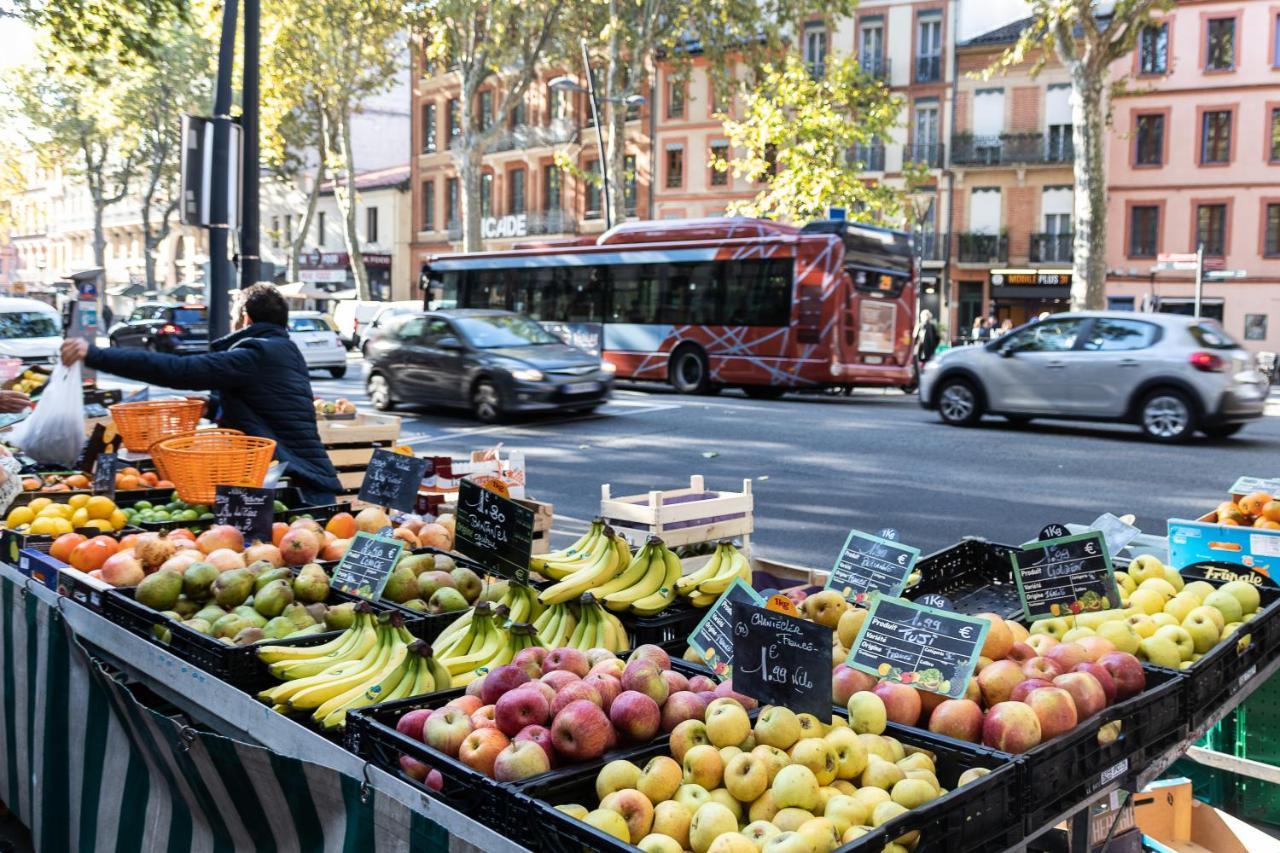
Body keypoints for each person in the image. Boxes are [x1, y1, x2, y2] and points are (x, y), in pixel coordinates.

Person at [61, 283, 342, 504]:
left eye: (234, 314)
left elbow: (181, 370)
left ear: (245, 317)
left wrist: (95, 354)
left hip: (294, 483)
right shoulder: (281, 349)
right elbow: (267, 404)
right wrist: (215, 406)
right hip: (294, 477)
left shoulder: (255, 353)